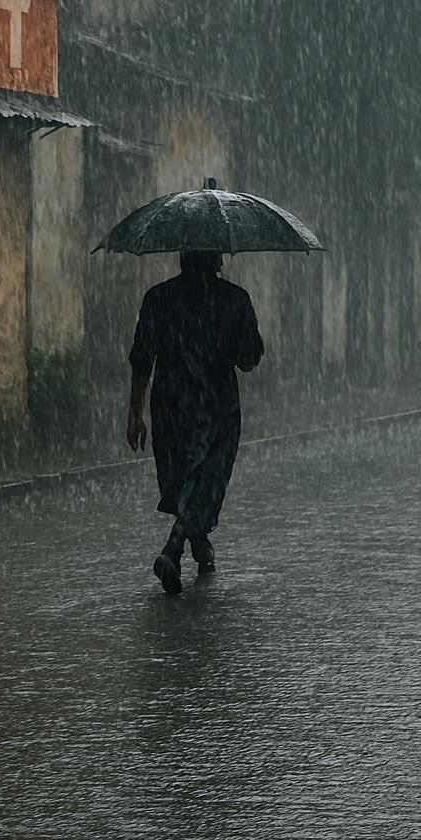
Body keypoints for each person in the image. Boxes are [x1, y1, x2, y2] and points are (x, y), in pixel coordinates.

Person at [127, 250, 264, 596]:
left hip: (171, 407)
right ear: (218, 258)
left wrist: (136, 412)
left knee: (186, 478)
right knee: (204, 478)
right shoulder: (234, 300)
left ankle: (197, 540)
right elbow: (250, 359)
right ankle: (173, 548)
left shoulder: (159, 298)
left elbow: (142, 358)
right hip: (217, 408)